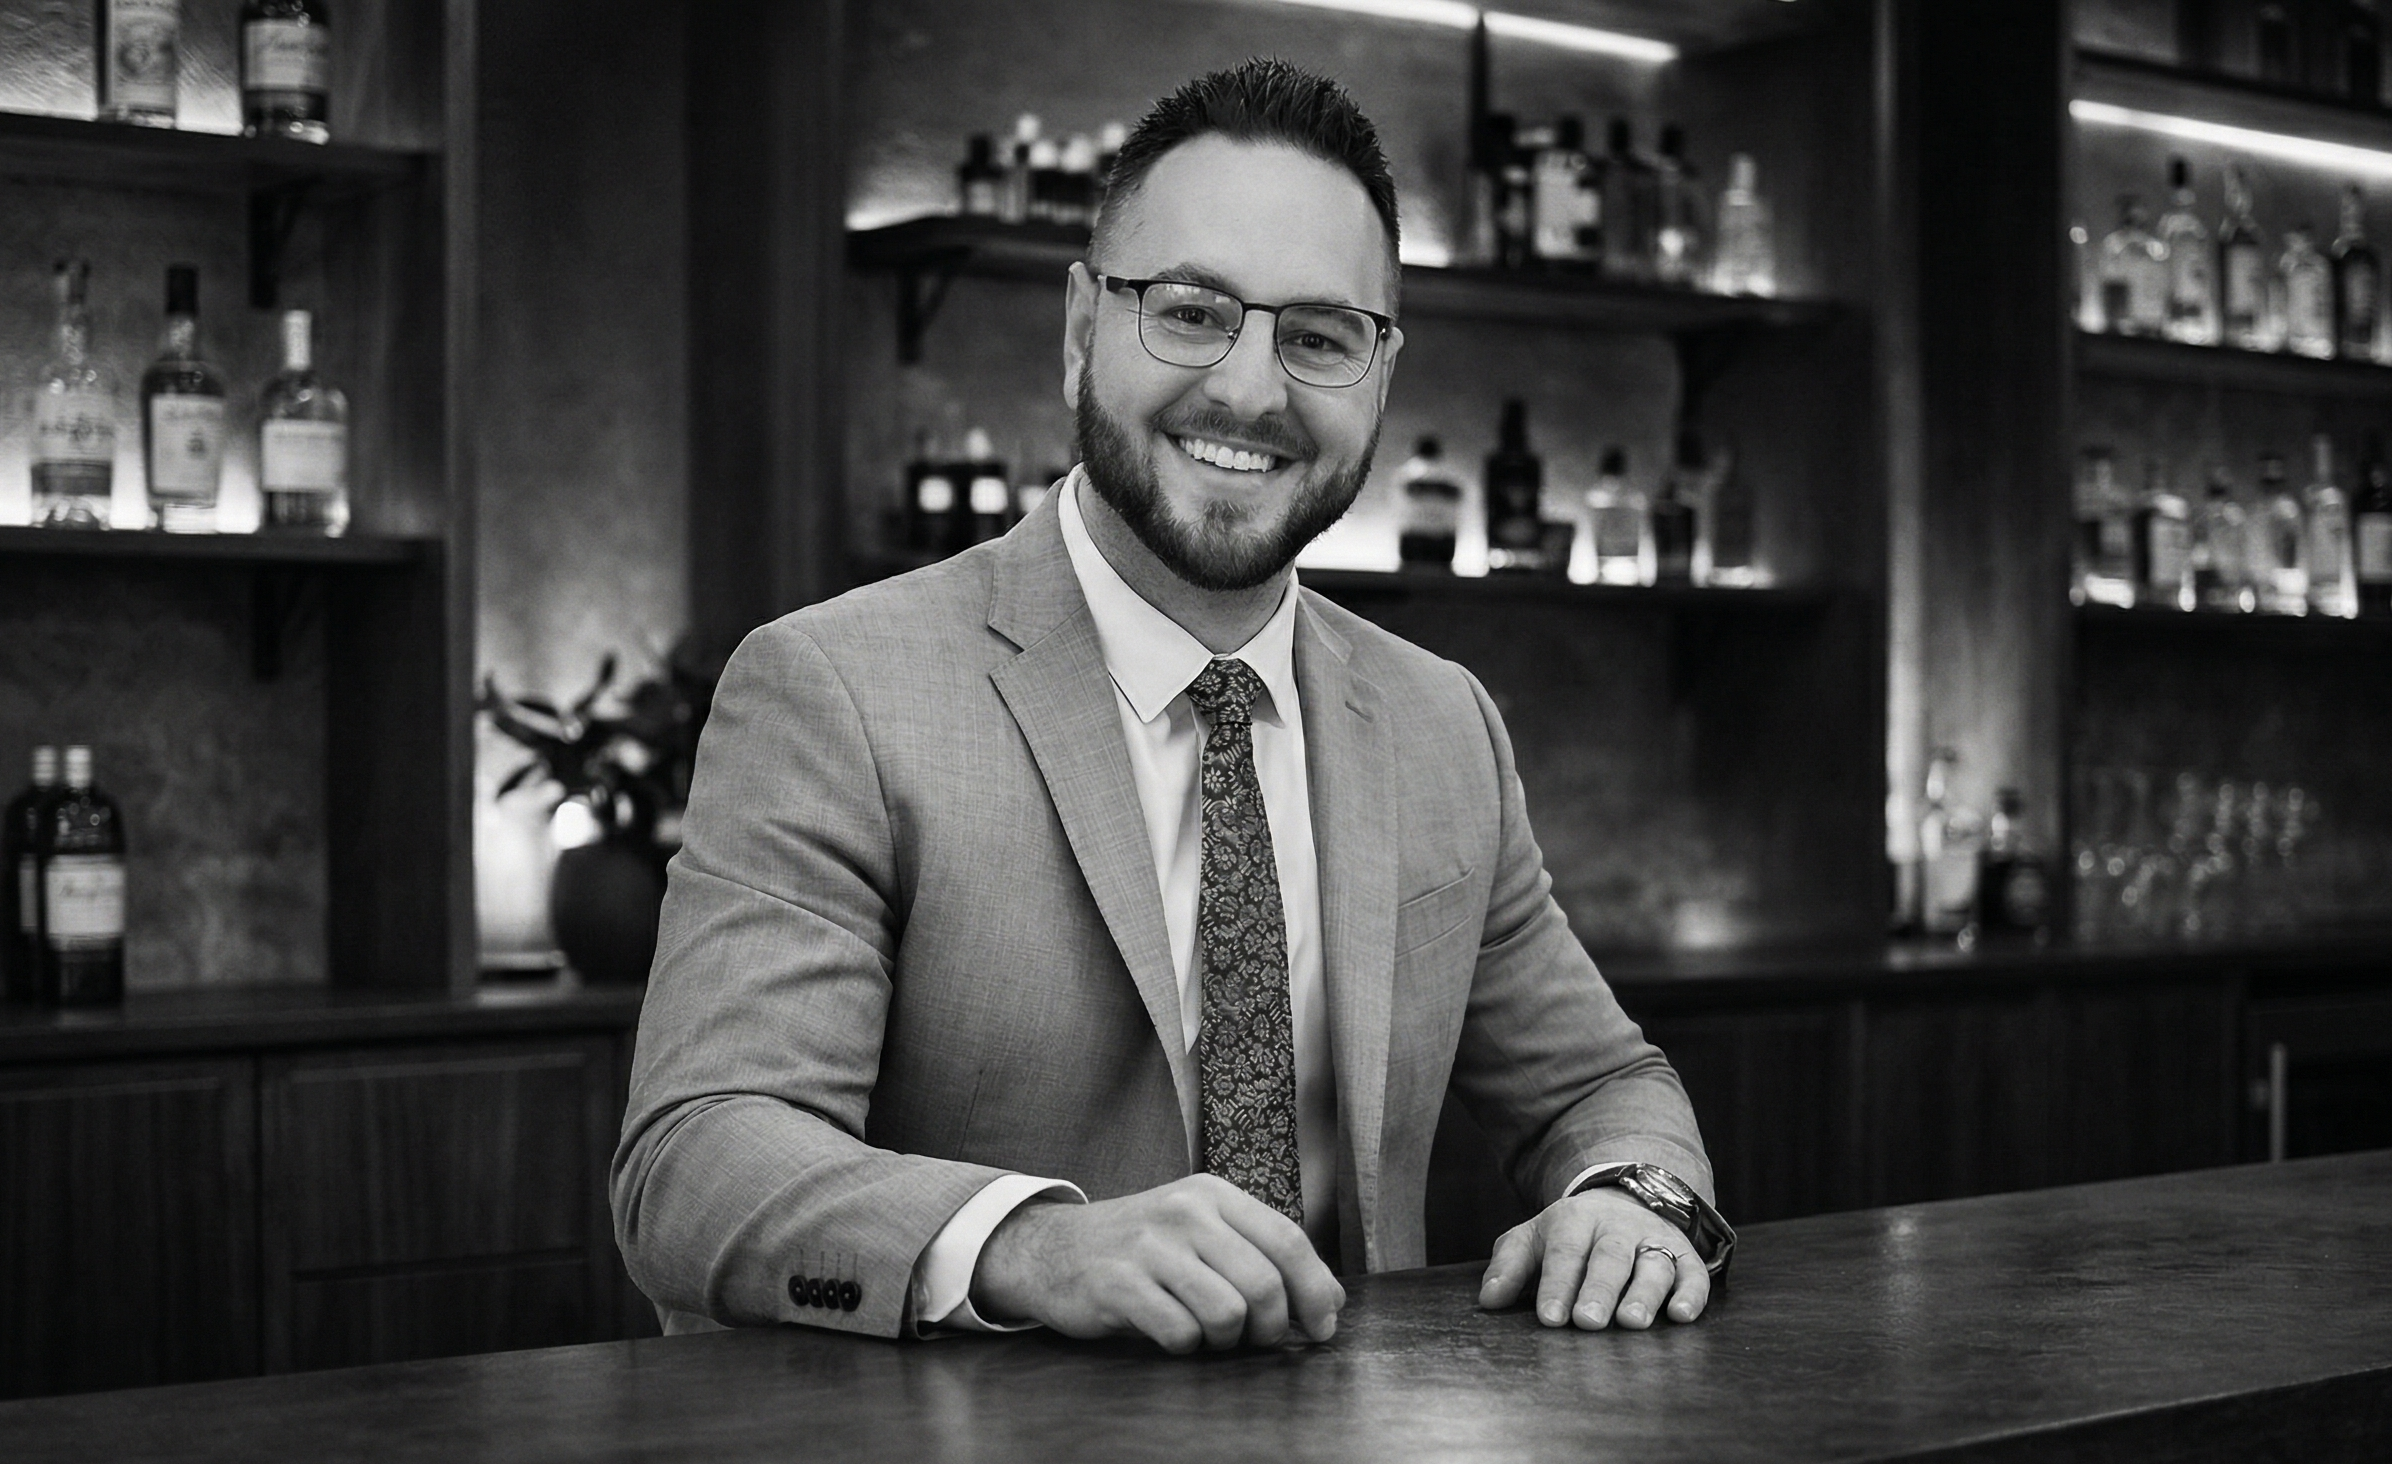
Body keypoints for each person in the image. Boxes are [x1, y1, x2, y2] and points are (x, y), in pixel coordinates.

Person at [612, 57, 1730, 1354]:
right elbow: (693, 1160)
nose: (1252, 391)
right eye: (1192, 312)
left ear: (1379, 375)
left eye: (1318, 337)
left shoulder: (1443, 723)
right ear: (1082, 325)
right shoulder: (836, 689)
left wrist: (1631, 1198)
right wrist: (1027, 1242)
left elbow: (1600, 1087)